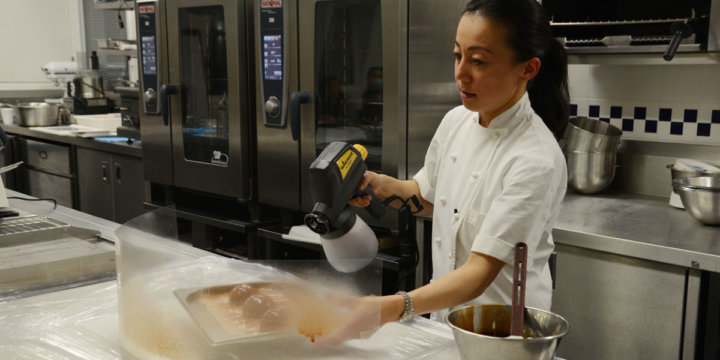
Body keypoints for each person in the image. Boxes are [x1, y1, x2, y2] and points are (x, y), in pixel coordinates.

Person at [316, 0, 569, 345]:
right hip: (445, 323)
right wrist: (378, 185)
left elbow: (480, 272)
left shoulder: (535, 159)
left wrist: (390, 308)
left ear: (528, 68)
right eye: (457, 55)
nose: (461, 73)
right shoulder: (457, 121)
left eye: (478, 61)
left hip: (503, 338)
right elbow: (428, 196)